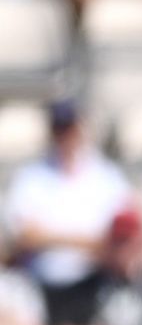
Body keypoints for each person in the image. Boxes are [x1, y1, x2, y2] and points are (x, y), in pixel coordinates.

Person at [4, 101, 131, 288]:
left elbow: (123, 232)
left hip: (95, 281)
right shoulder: (31, 177)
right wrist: (87, 242)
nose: (65, 136)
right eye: (59, 130)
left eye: (69, 128)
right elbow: (25, 236)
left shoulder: (106, 175)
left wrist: (51, 238)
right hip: (40, 282)